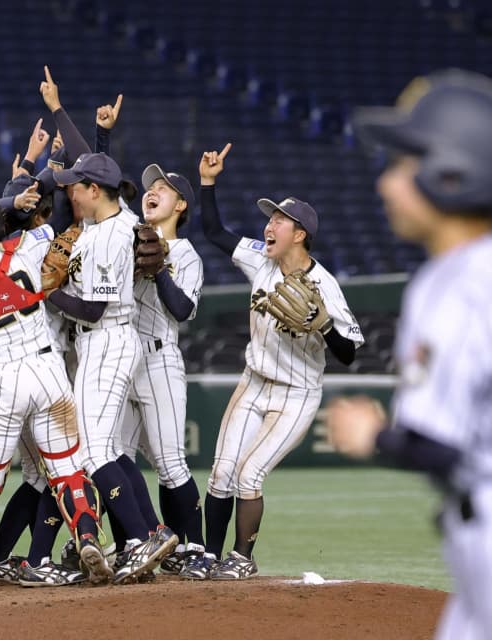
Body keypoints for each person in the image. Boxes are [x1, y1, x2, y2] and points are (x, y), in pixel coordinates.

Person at [326, 69, 492, 640]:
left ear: (452, 172)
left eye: (403, 166)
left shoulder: (459, 283)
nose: (385, 185)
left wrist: (373, 436)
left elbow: (438, 449)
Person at [0, 195, 113, 593]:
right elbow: (61, 215)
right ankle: (87, 539)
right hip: (47, 370)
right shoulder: (31, 247)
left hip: (1, 378)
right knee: (67, 470)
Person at [198, 144, 364, 579]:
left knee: (250, 474)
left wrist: (324, 325)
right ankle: (209, 560)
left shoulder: (325, 285)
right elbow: (214, 231)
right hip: (254, 382)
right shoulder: (260, 258)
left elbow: (348, 353)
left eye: (278, 220)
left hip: (296, 394)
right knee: (221, 474)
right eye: (269, 218)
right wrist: (208, 182)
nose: (268, 225)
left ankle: (241, 559)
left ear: (300, 234)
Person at [49, 151, 179, 583]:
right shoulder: (102, 225)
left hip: (106, 336)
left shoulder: (108, 234)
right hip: (105, 343)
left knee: (94, 451)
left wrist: (42, 293)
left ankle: (143, 536)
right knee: (111, 449)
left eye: (76, 186)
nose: (70, 193)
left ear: (93, 190)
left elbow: (92, 308)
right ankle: (152, 531)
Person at [118, 163, 207, 579]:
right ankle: (142, 541)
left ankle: (196, 549)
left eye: (164, 189)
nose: (152, 191)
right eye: (149, 186)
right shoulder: (130, 237)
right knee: (114, 456)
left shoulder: (186, 253)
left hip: (158, 359)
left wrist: (158, 271)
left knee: (171, 464)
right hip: (120, 359)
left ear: (181, 204)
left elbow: (183, 309)